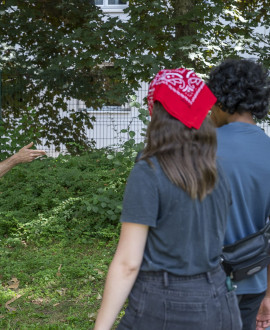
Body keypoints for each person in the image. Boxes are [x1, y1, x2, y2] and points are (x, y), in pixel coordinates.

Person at [94, 68, 242, 330]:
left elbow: (128, 263)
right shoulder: (218, 171)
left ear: (157, 114)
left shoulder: (149, 172)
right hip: (220, 299)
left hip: (166, 303)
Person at [207, 59, 270, 330]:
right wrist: (268, 295)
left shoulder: (199, 149)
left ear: (222, 100)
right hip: (254, 281)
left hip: (204, 284)